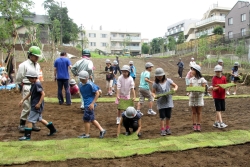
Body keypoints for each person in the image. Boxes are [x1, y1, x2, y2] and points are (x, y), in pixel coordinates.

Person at [18, 70, 57, 141]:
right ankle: (52, 129)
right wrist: (23, 100)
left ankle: (27, 136)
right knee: (40, 119)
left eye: (29, 78)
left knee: (30, 120)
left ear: (34, 78)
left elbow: (43, 94)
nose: (29, 80)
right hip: (34, 104)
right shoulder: (33, 84)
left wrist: (39, 104)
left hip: (36, 106)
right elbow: (30, 93)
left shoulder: (37, 84)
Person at [16, 46, 42, 132]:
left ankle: (32, 123)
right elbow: (19, 78)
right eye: (35, 56)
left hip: (35, 86)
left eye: (38, 56)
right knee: (27, 106)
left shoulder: (37, 65)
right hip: (27, 86)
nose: (37, 58)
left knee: (34, 106)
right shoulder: (23, 65)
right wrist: (19, 87)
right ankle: (21, 124)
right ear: (30, 55)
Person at [77, 71, 106, 139]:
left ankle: (87, 135)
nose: (81, 80)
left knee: (86, 119)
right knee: (92, 119)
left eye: (83, 79)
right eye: (81, 78)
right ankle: (102, 130)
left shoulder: (90, 84)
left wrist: (92, 103)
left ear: (87, 78)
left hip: (89, 104)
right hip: (86, 103)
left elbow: (97, 93)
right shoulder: (80, 84)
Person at [152, 68, 178, 136]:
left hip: (168, 101)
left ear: (163, 75)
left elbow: (175, 86)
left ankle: (168, 128)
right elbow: (153, 92)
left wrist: (174, 89)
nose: (159, 77)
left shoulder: (168, 81)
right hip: (161, 102)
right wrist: (154, 96)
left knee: (168, 116)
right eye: (158, 76)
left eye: (160, 76)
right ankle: (162, 129)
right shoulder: (155, 84)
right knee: (162, 117)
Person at [189, 64, 207, 132]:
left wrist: (197, 89)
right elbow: (190, 88)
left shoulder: (202, 80)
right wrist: (192, 89)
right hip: (192, 97)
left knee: (199, 112)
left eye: (193, 70)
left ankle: (198, 124)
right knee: (194, 112)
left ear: (197, 71)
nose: (191, 71)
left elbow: (204, 89)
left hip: (199, 97)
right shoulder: (191, 80)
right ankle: (194, 125)